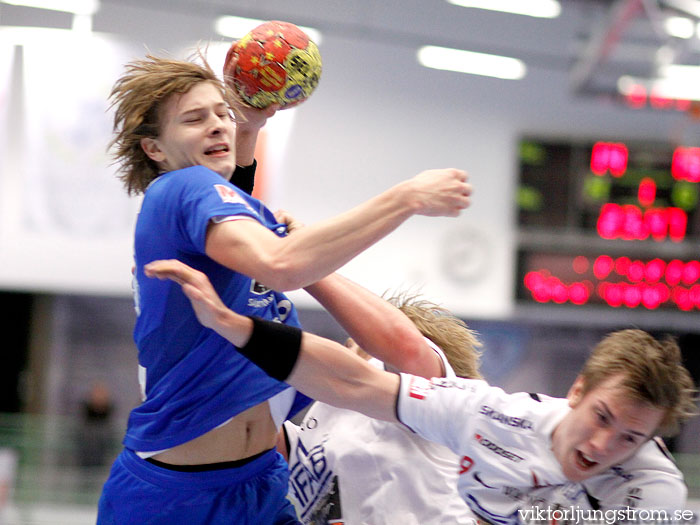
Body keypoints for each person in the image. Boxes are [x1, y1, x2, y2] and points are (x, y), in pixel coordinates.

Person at [97, 51, 471, 525]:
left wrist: (248, 127)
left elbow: (240, 208)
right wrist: (406, 197)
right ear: (155, 149)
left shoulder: (210, 212)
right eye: (195, 119)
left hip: (261, 482)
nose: (217, 125)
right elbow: (281, 264)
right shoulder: (180, 188)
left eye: (221, 113)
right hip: (177, 499)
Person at [144, 259, 698, 524]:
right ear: (577, 393)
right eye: (603, 419)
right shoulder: (482, 415)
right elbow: (359, 377)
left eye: (629, 436)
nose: (605, 444)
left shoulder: (651, 487)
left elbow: (404, 352)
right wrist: (239, 319)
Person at [282, 273, 482, 524]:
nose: (346, 347)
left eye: (359, 343)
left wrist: (303, 270)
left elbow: (406, 348)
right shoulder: (320, 429)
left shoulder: (434, 404)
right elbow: (247, 435)